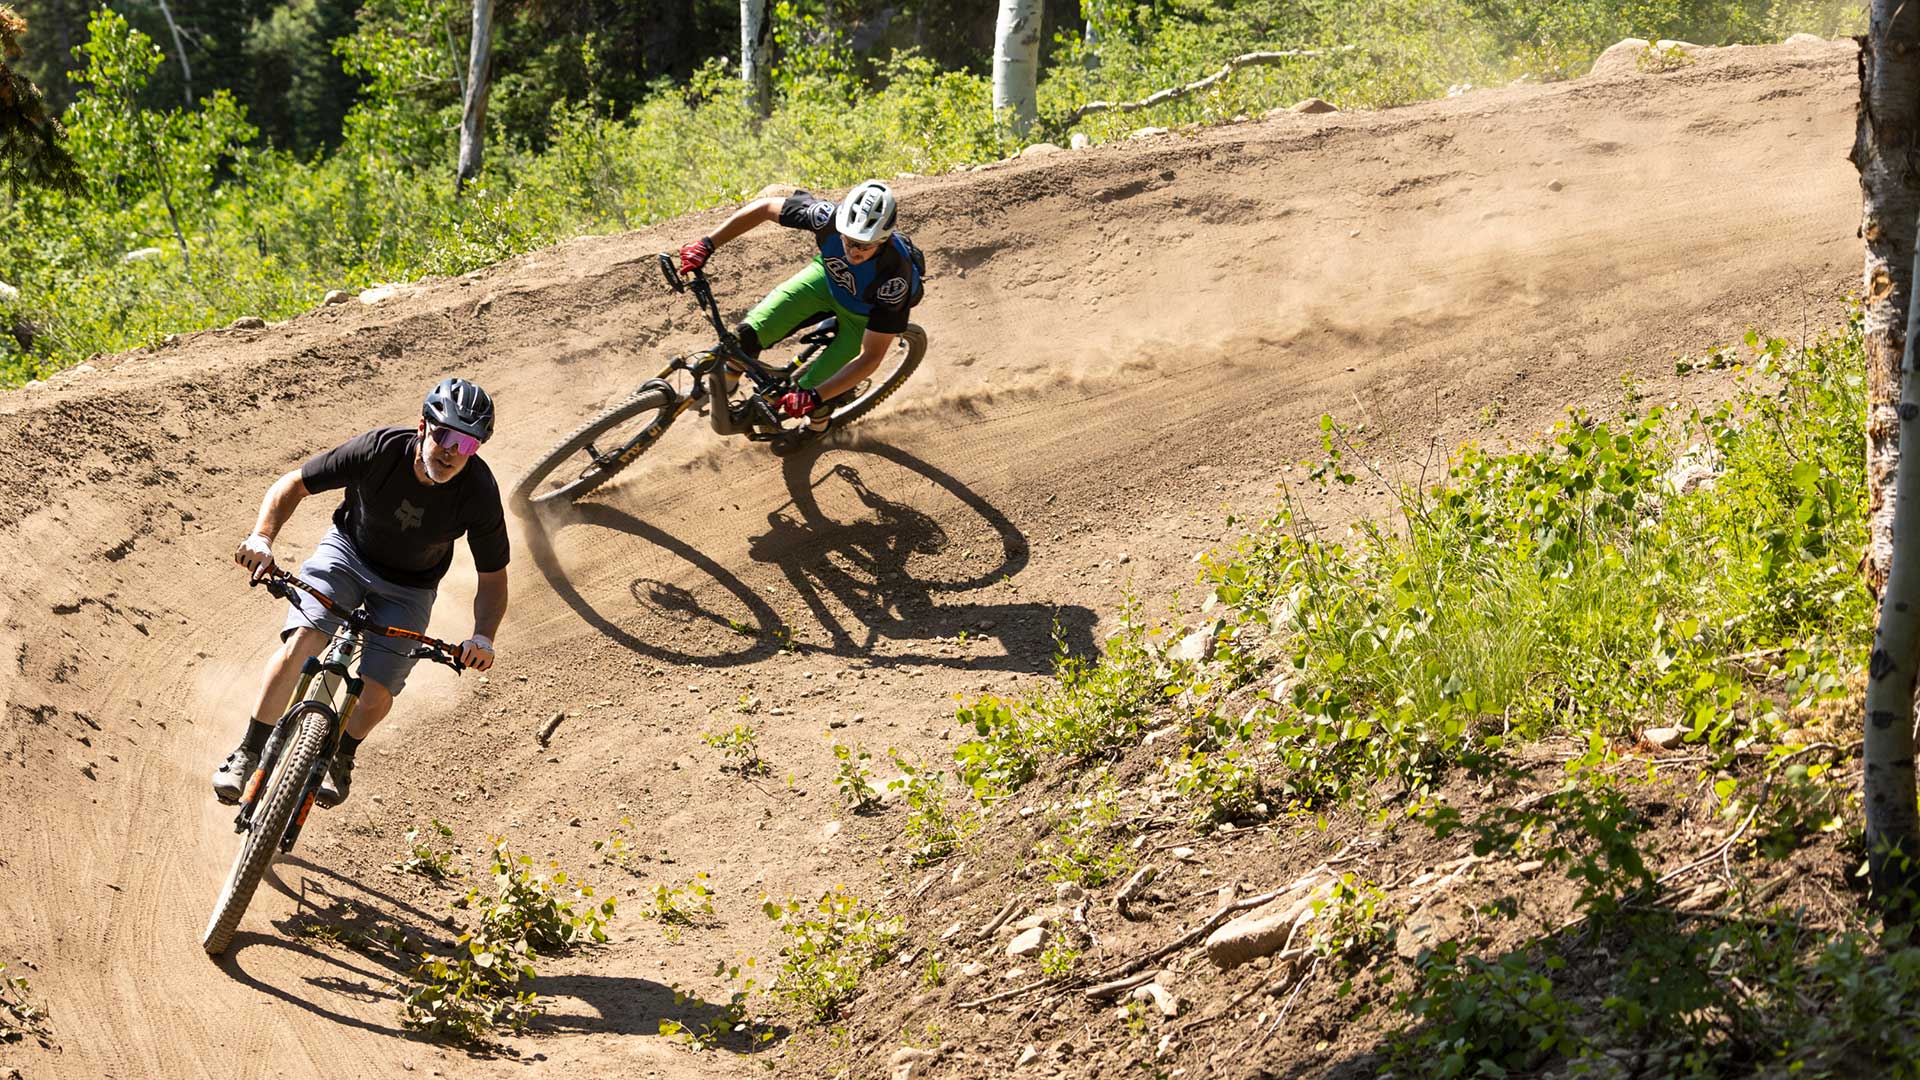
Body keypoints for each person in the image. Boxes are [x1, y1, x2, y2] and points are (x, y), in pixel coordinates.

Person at [212, 378, 509, 808]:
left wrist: (483, 637)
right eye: (444, 435)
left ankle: (342, 755)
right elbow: (294, 483)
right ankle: (248, 751)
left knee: (377, 689)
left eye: (466, 444)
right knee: (304, 642)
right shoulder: (379, 450)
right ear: (423, 426)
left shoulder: (479, 492)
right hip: (348, 553)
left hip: (411, 587)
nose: (450, 451)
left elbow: (493, 576)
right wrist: (262, 537)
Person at [676, 179, 926, 439]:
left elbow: (871, 357)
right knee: (747, 335)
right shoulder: (828, 218)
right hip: (826, 280)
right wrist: (707, 243)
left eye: (863, 245)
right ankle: (727, 382)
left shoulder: (895, 279)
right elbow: (765, 208)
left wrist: (814, 396)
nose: (853, 251)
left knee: (809, 392)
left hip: (862, 317)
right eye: (848, 240)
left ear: (883, 240)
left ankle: (819, 426)